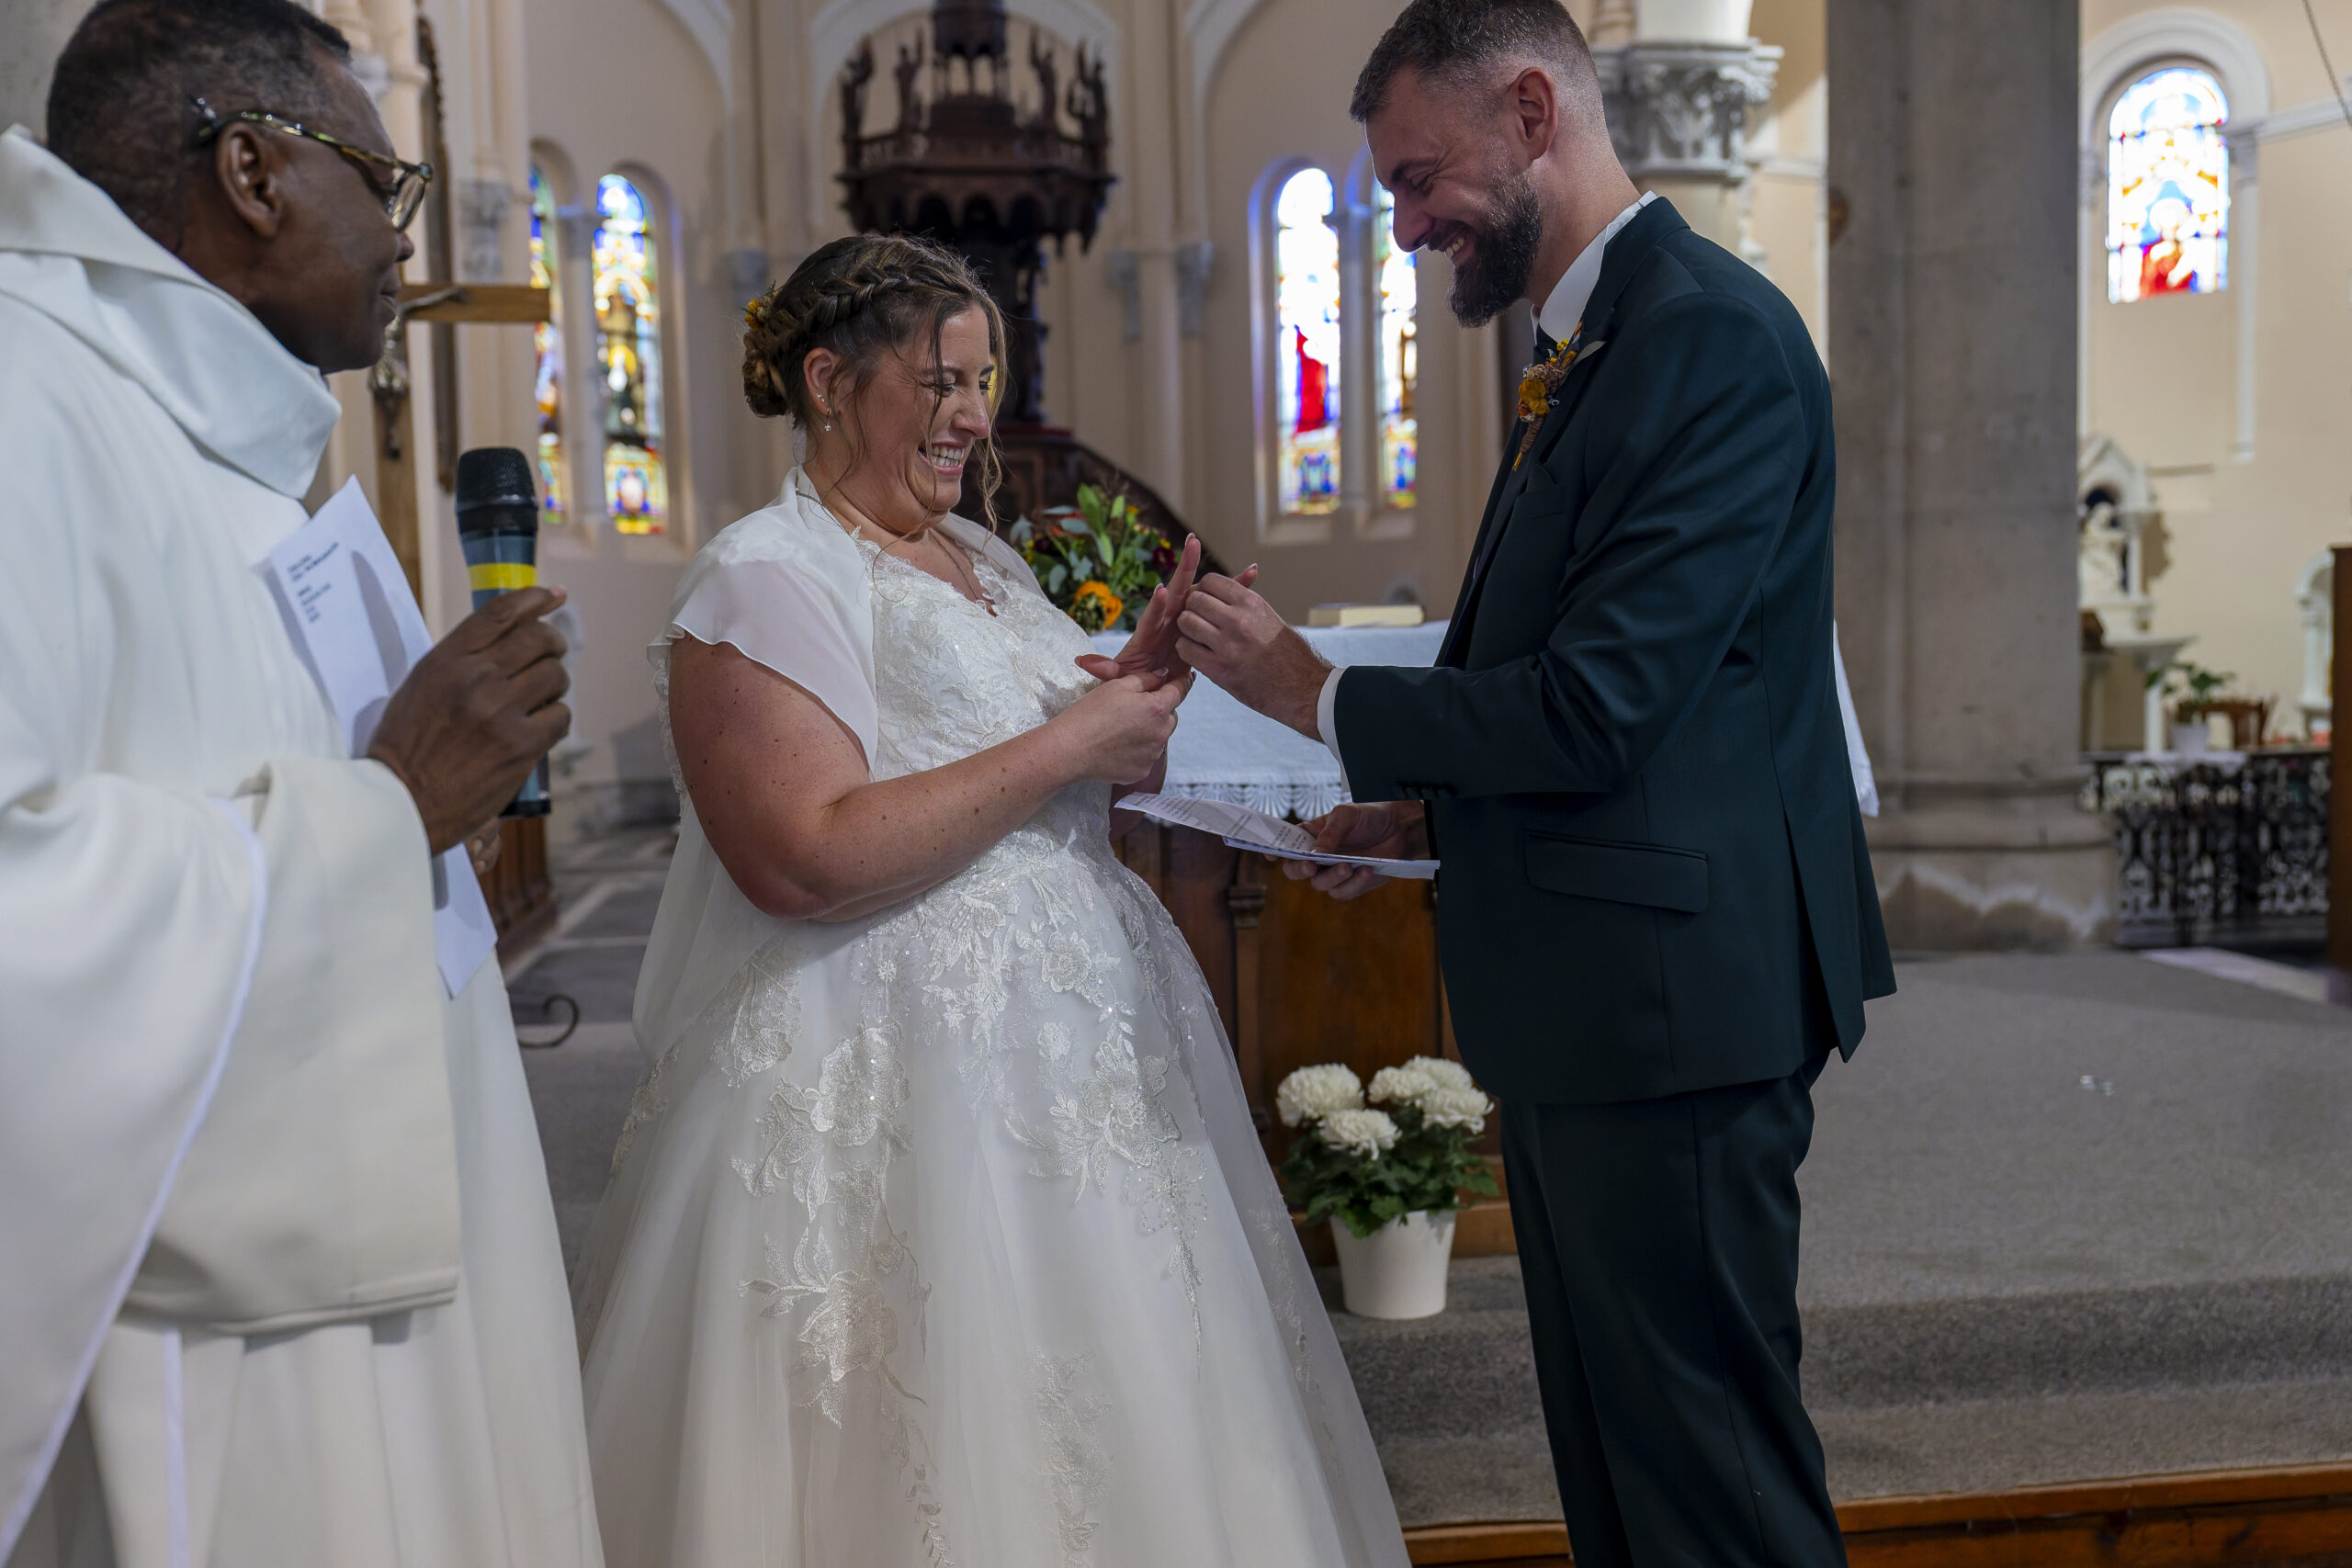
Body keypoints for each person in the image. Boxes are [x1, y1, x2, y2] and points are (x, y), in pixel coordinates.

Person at [1173, 3, 1896, 1564]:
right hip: (1602, 997)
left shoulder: (1702, 336)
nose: (1407, 221)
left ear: (1530, 112)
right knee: (1624, 1478)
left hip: (1673, 1013)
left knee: (1715, 1491)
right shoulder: (1597, 339)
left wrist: (1309, 692)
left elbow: (1603, 703)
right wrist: (1423, 809)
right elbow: (1615, 683)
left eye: (1418, 177)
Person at [570, 232, 1407, 1568]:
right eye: (940, 382)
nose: (973, 417)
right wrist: (1070, 743)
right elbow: (798, 856)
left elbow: (1035, 784)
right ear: (828, 382)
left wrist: (1139, 715)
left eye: (983, 382)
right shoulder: (764, 576)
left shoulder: (986, 562)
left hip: (1085, 1066)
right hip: (894, 1076)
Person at [0, 4, 600, 1565]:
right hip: (215, 1351)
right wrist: (391, 808)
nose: (404, 240)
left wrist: (435, 815)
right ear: (255, 173)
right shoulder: (26, 395)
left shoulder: (239, 447)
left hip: (398, 1232)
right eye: (382, 186)